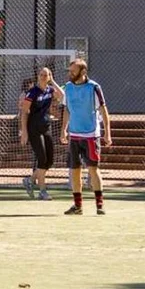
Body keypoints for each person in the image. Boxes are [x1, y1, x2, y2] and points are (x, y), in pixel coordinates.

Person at [61, 58, 111, 216]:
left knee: (93, 169)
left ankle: (99, 205)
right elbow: (67, 109)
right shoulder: (68, 88)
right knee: (74, 170)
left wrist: (107, 132)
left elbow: (103, 109)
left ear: (83, 71)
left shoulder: (94, 87)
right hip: (74, 135)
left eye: (73, 71)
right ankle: (78, 206)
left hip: (91, 135)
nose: (70, 73)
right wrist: (64, 129)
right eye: (70, 71)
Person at [19, 67, 62, 200]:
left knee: (49, 161)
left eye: (46, 75)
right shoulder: (32, 92)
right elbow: (24, 112)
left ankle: (30, 180)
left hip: (46, 127)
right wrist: (24, 131)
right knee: (42, 159)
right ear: (38, 76)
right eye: (41, 74)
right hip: (34, 128)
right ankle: (42, 191)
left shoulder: (50, 90)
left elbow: (62, 95)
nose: (43, 77)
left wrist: (52, 81)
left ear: (49, 77)